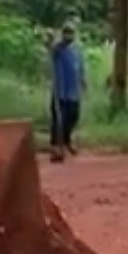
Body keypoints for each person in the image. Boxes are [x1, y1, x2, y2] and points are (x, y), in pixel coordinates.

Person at [49, 22, 85, 162]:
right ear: (62, 34)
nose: (69, 35)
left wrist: (83, 80)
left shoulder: (77, 50)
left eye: (71, 33)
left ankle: (66, 141)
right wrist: (51, 39)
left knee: (73, 117)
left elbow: (80, 67)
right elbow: (52, 50)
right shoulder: (59, 49)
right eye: (66, 33)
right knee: (58, 120)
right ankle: (56, 146)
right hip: (61, 91)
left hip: (74, 91)